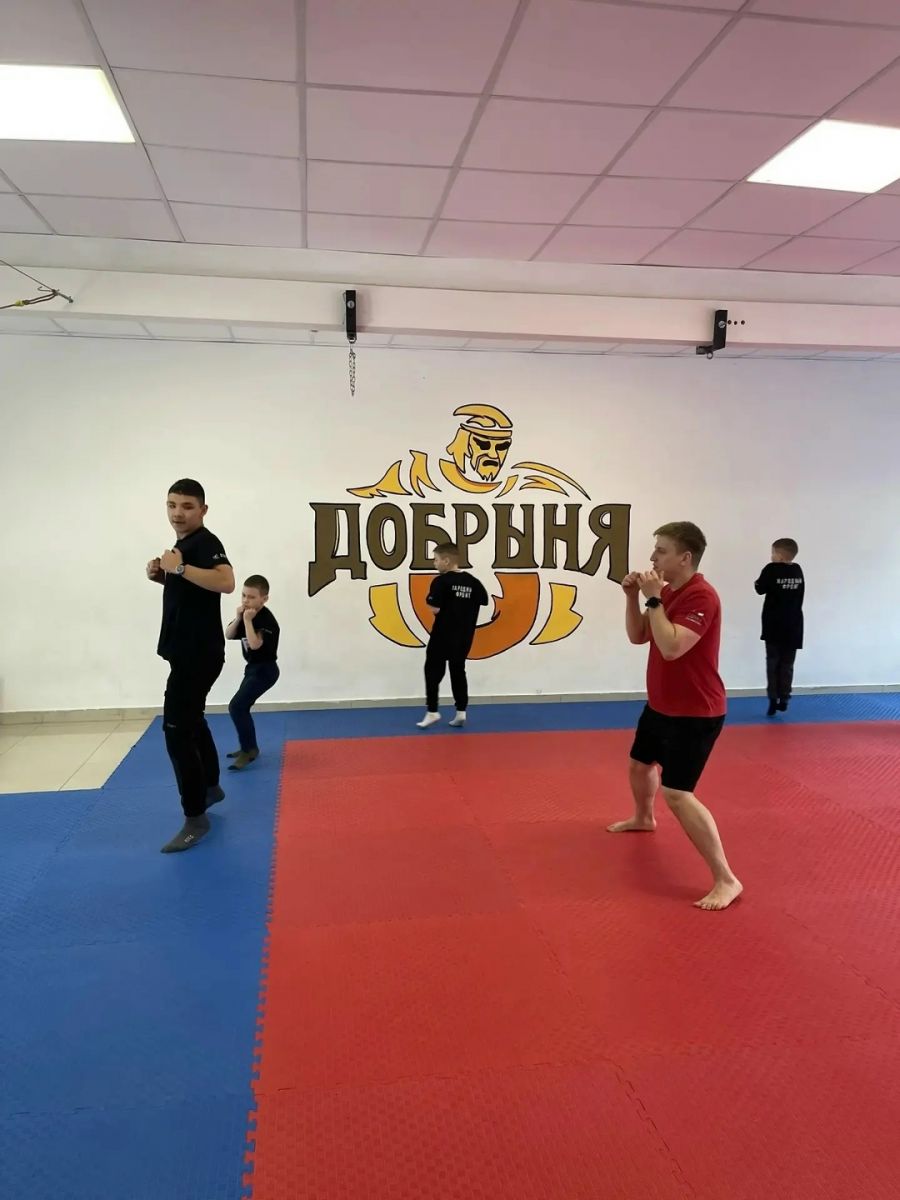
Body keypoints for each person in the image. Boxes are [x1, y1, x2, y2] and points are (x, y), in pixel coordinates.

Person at [608, 522, 742, 911]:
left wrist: (653, 599)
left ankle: (726, 879)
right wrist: (632, 598)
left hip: (695, 713)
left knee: (679, 794)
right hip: (661, 706)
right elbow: (638, 636)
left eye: (661, 551)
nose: (652, 558)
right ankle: (643, 817)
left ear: (685, 558)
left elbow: (671, 648)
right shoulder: (667, 593)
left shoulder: (702, 596)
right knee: (639, 764)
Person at [147, 479, 234, 853]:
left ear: (203, 510)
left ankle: (195, 817)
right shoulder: (184, 546)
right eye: (172, 505)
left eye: (186, 506)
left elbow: (226, 582)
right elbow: (194, 591)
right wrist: (164, 576)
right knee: (192, 720)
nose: (178, 513)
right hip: (189, 651)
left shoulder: (205, 542)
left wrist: (179, 569)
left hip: (198, 654)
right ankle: (210, 787)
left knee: (176, 731)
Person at [416, 543, 489, 730]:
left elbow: (434, 608)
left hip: (442, 634)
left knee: (433, 670)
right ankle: (461, 712)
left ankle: (432, 711)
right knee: (458, 670)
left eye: (436, 560)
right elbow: (483, 601)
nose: (434, 563)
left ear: (446, 561)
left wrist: (448, 609)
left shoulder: (441, 582)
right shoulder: (473, 582)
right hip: (464, 636)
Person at [225, 575, 281, 769]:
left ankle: (249, 751)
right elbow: (229, 634)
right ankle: (249, 747)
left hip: (266, 670)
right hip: (252, 669)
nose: (245, 600)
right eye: (243, 595)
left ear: (264, 599)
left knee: (236, 707)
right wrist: (239, 618)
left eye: (251, 597)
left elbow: (255, 644)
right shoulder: (245, 614)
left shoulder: (267, 620)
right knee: (241, 707)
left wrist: (248, 621)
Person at [754, 538, 804, 718]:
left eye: (773, 553)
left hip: (773, 625)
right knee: (787, 664)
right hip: (794, 625)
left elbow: (759, 588)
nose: (771, 556)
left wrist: (757, 582)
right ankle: (785, 698)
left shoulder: (771, 569)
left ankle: (773, 699)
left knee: (773, 662)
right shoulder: (798, 570)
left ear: (780, 556)